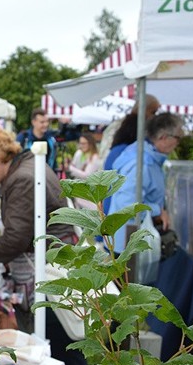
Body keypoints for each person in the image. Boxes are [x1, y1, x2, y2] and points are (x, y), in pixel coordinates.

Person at [0, 127, 85, 365]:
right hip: (52, 269)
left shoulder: (22, 178)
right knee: (60, 350)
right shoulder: (26, 169)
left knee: (61, 357)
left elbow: (15, 239)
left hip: (50, 277)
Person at [109, 112, 184, 253]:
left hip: (132, 237)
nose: (178, 143)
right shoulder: (141, 163)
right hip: (128, 241)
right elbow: (127, 205)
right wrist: (158, 211)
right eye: (178, 138)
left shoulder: (145, 155)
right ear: (163, 137)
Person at [102, 95, 161, 213]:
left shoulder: (120, 135)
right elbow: (127, 201)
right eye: (153, 112)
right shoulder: (134, 155)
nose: (155, 117)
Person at [67, 133, 102, 211]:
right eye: (80, 143)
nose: (81, 145)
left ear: (90, 144)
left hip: (90, 191)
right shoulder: (79, 153)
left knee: (93, 210)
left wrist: (71, 169)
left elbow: (87, 175)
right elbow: (73, 165)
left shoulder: (95, 157)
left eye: (84, 143)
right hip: (78, 188)